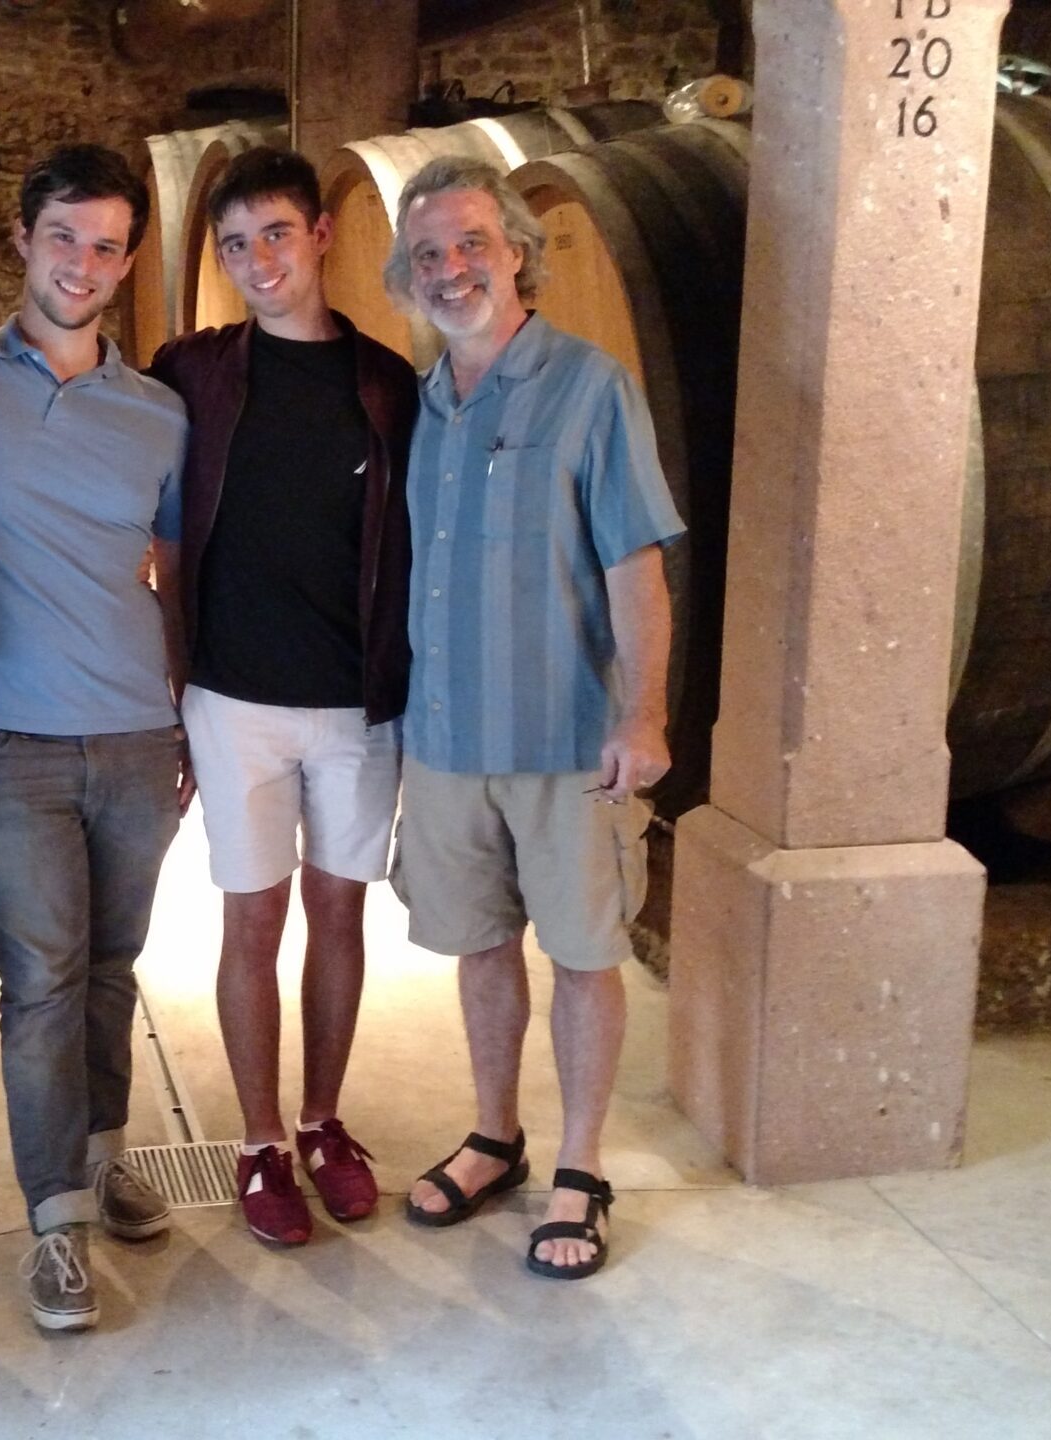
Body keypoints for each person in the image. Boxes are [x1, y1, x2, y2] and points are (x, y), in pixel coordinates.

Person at [384, 157, 683, 1280]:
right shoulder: (425, 405)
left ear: (516, 250)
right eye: (428, 256)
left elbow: (636, 570)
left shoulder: (590, 387)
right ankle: (495, 1136)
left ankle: (582, 1164)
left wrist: (643, 717)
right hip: (449, 738)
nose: (452, 269)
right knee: (478, 948)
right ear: (409, 279)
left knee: (587, 954)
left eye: (471, 244)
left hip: (567, 742)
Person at [0, 144, 190, 1332]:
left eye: (107, 245)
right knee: (40, 985)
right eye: (63, 237)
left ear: (129, 263)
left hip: (137, 733)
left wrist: (184, 717)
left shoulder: (159, 413)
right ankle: (56, 1225)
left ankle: (109, 1152)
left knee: (115, 970)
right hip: (11, 739)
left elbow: (174, 572)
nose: (83, 264)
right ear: (21, 240)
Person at [147, 147, 416, 1246]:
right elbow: (156, 531)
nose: (259, 260)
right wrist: (166, 692)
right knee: (251, 916)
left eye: (275, 235)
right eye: (236, 244)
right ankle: (260, 1141)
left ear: (321, 237)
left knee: (340, 912)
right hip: (233, 699)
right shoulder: (192, 372)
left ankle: (323, 1120)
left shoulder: (387, 384)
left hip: (357, 703)